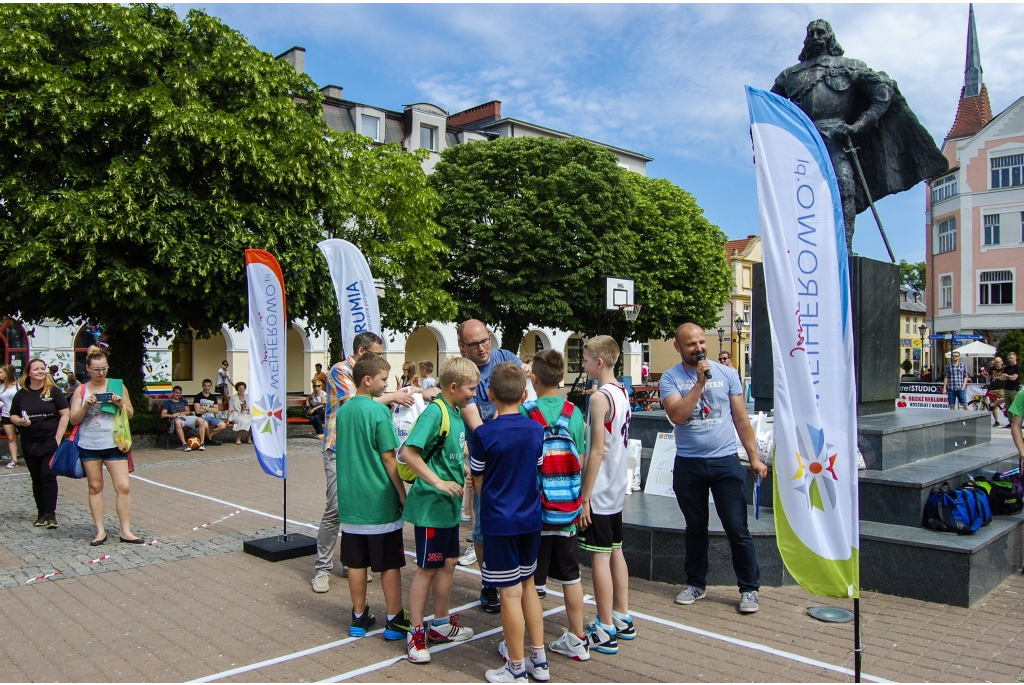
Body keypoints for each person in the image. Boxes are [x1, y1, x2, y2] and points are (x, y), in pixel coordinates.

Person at [660, 323, 768, 614]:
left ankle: (749, 589)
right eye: (691, 344)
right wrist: (698, 384)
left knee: (736, 527)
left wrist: (754, 458)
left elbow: (742, 419)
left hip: (725, 461)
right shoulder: (670, 378)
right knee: (695, 527)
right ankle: (695, 583)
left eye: (700, 342)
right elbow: (678, 416)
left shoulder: (728, 375)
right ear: (678, 347)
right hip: (689, 464)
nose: (698, 348)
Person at [312, 330, 417, 594]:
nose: (381, 359)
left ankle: (353, 563)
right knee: (337, 506)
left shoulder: (371, 382)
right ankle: (322, 568)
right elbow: (357, 404)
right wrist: (392, 397)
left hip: (362, 448)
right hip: (339, 448)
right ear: (362, 353)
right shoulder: (339, 370)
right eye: (377, 354)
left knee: (363, 503)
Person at [470, 362, 548, 683]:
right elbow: (537, 467)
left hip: (500, 522)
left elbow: (478, 482)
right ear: (525, 393)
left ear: (489, 394)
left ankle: (515, 667)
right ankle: (538, 659)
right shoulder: (536, 429)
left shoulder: (484, 434)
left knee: (509, 593)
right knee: (529, 586)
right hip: (531, 519)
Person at [401, 357, 480, 664]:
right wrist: (438, 481)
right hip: (431, 507)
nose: (474, 394)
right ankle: (416, 632)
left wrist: (464, 467)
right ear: (453, 387)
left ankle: (442, 624)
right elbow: (408, 452)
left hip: (447, 508)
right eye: (471, 389)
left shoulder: (456, 414)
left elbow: (449, 450)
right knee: (428, 568)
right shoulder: (436, 413)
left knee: (448, 563)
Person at [334, 352, 411, 641]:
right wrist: (402, 494)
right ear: (367, 380)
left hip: (352, 499)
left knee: (356, 562)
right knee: (389, 562)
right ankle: (393, 619)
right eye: (382, 380)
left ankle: (358, 617)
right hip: (379, 500)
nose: (386, 385)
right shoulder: (379, 412)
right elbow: (389, 459)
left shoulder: (344, 411)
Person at [521, 349, 590, 661]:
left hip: (534, 513)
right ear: (562, 377)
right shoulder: (573, 413)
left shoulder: (526, 413)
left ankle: (526, 644)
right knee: (572, 577)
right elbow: (582, 459)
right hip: (566, 512)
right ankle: (578, 639)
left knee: (531, 584)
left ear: (533, 377)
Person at [458, 318, 528, 613]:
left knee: (518, 522)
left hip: (514, 461)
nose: (482, 348)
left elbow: (526, 389)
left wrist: (528, 368)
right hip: (484, 464)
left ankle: (522, 580)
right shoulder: (463, 373)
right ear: (462, 347)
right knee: (484, 526)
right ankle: (489, 584)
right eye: (474, 344)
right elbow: (474, 424)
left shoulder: (505, 358)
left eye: (485, 340)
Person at [577, 336, 635, 654]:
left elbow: (596, 451)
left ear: (599, 362)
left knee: (599, 556)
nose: (583, 365)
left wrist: (584, 496)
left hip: (600, 489)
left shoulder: (600, 398)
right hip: (615, 486)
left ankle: (604, 627)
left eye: (585, 360)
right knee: (615, 550)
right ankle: (622, 616)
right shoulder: (622, 391)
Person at [68, 346, 141, 545]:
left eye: (104, 369)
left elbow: (130, 413)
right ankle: (100, 531)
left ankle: (126, 531)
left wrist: (120, 404)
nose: (101, 373)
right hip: (89, 443)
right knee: (95, 487)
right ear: (88, 369)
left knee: (123, 487)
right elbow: (73, 419)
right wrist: (85, 406)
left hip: (114, 442)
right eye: (96, 369)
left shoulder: (117, 385)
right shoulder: (81, 390)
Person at [10, 358, 70, 528]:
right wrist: (20, 422)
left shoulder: (54, 392)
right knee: (36, 478)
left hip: (49, 441)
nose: (40, 371)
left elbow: (65, 414)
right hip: (30, 442)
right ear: (28, 372)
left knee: (48, 476)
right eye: (36, 369)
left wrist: (58, 438)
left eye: (43, 368)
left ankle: (51, 515)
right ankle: (41, 514)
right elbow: (12, 415)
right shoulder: (22, 394)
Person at [161, 386, 207, 451]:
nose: (178, 394)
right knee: (177, 422)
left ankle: (202, 443)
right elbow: (163, 414)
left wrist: (179, 413)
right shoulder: (168, 403)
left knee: (201, 420)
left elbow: (187, 411)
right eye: (176, 392)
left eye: (179, 393)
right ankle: (184, 444)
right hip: (177, 419)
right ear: (173, 393)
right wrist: (172, 416)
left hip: (187, 417)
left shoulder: (183, 401)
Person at [193, 379, 228, 445]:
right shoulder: (198, 397)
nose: (207, 388)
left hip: (212, 418)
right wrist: (211, 408)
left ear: (211, 386)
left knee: (223, 425)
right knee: (205, 425)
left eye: (208, 386)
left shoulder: (213, 397)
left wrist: (204, 407)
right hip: (202, 417)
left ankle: (209, 437)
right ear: (202, 386)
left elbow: (216, 410)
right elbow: (197, 411)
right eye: (205, 386)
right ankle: (210, 439)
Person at [1, 365, 20, 468]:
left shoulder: (18, 385)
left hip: (18, 414)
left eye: (1, 372)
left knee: (24, 436)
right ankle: (14, 460)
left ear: (7, 373)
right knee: (11, 438)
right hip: (6, 414)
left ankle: (29, 457)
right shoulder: (1, 387)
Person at [986, 357, 1006, 427]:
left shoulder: (1004, 368)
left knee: (1006, 400)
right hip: (992, 388)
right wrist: (987, 383)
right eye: (996, 362)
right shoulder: (991, 368)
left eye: (999, 362)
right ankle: (996, 421)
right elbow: (988, 376)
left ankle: (1006, 410)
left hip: (1001, 388)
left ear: (1002, 362)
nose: (997, 363)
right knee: (993, 406)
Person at [1002, 351, 1020, 429]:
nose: (1010, 359)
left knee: (1014, 407)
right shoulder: (1007, 367)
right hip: (1006, 388)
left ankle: (1017, 423)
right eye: (1009, 358)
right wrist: (1008, 376)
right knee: (1008, 407)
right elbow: (1002, 377)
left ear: (1015, 358)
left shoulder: (1017, 367)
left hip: (1014, 389)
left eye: (1012, 358)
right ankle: (1011, 422)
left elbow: (1014, 378)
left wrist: (1007, 376)